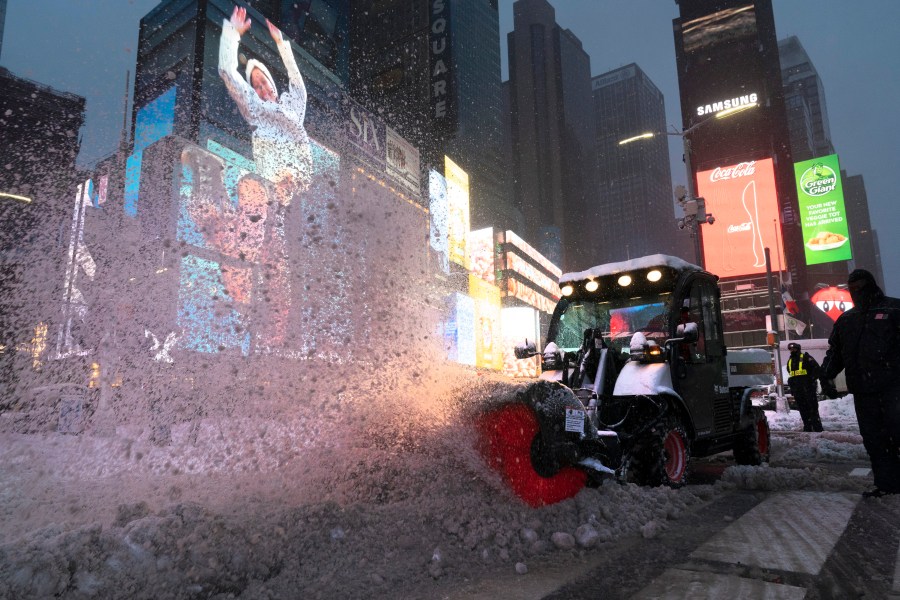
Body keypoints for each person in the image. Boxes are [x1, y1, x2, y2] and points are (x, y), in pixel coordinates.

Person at [217, 5, 314, 350]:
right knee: (250, 186)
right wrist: (231, 34)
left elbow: (299, 83)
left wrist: (282, 44)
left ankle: (273, 337)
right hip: (267, 189)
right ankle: (240, 263)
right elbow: (228, 71)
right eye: (255, 86)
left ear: (272, 85)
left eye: (262, 83)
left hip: (289, 195)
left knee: (281, 273)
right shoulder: (256, 110)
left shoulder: (292, 108)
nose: (259, 90)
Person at [822, 269, 900, 498]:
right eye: (852, 288)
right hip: (864, 392)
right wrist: (826, 375)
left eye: (859, 287)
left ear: (871, 284)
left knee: (896, 434)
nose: (855, 292)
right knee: (875, 440)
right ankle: (886, 485)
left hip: (893, 388)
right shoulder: (847, 319)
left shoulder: (894, 309)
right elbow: (835, 352)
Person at [786, 342, 823, 432]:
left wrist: (811, 380)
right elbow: (791, 373)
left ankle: (817, 427)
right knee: (802, 408)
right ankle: (807, 426)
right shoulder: (790, 361)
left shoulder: (806, 357)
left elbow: (817, 369)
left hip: (808, 388)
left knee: (812, 408)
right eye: (790, 349)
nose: (792, 350)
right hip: (798, 390)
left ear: (798, 349)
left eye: (794, 349)